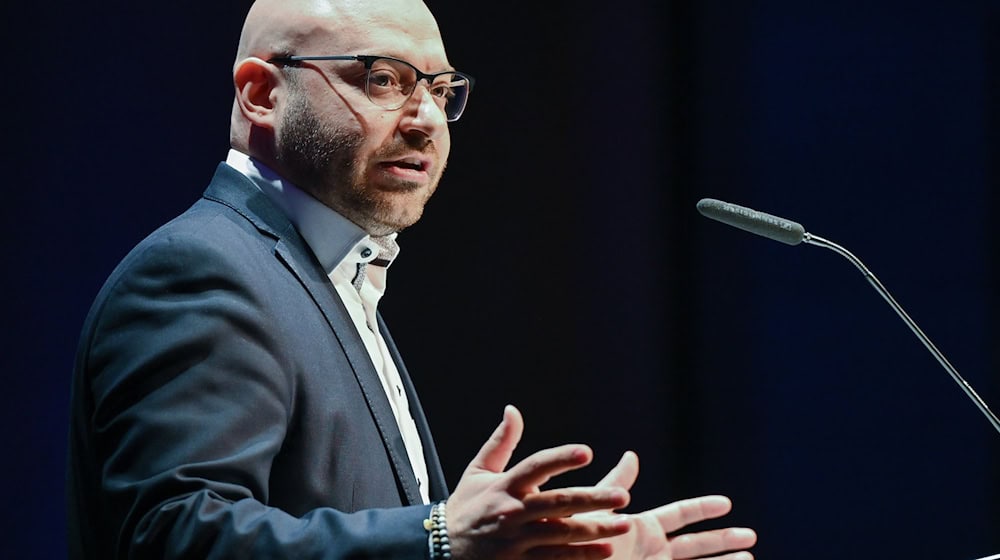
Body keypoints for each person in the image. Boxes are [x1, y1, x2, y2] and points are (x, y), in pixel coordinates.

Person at [66, 0, 758, 558]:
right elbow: (175, 538)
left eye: (441, 88)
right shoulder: (203, 270)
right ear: (261, 93)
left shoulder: (330, 272)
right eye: (383, 79)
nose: (426, 118)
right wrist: (439, 535)